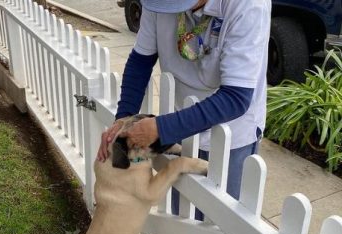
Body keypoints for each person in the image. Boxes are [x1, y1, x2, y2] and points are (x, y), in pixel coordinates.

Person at [97, 0, 271, 220]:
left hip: (231, 134)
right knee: (184, 215)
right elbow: (141, 60)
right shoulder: (156, 4)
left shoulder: (248, 6)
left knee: (222, 220)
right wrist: (124, 117)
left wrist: (161, 128)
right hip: (182, 125)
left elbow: (236, 98)